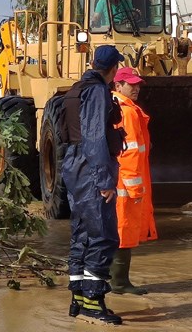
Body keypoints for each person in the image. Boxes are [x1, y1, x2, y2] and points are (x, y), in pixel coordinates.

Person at [61, 45, 125, 325]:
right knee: (103, 235)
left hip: (73, 165)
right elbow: (95, 136)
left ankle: (77, 297)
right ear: (112, 70)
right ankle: (92, 302)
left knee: (82, 233)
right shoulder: (98, 91)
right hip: (90, 166)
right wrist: (105, 181)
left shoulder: (74, 90)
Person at [110, 67, 158, 296]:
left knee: (119, 230)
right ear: (118, 86)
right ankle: (119, 284)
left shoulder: (118, 107)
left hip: (119, 180)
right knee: (124, 231)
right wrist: (133, 186)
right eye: (131, 84)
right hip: (126, 184)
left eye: (138, 84)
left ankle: (114, 282)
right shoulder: (126, 112)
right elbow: (129, 152)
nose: (136, 88)